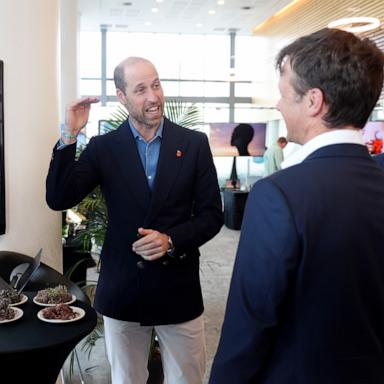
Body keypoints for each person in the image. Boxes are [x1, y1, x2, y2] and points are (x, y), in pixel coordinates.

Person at [210, 28, 384, 384]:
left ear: (313, 101)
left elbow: (250, 323)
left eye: (283, 93)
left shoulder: (279, 195)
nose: (277, 105)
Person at [46, 57, 223, 384]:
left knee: (187, 379)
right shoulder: (103, 148)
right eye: (140, 89)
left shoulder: (193, 144)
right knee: (126, 379)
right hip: (124, 287)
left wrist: (171, 240)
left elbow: (213, 215)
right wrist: (69, 134)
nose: (153, 96)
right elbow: (59, 198)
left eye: (155, 85)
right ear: (121, 97)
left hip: (178, 289)